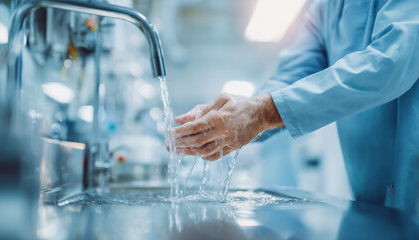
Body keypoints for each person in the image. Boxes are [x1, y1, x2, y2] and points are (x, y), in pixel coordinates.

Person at [171, 0, 419, 213]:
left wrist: (261, 113)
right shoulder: (326, 8)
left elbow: (390, 63)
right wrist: (233, 115)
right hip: (371, 197)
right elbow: (292, 76)